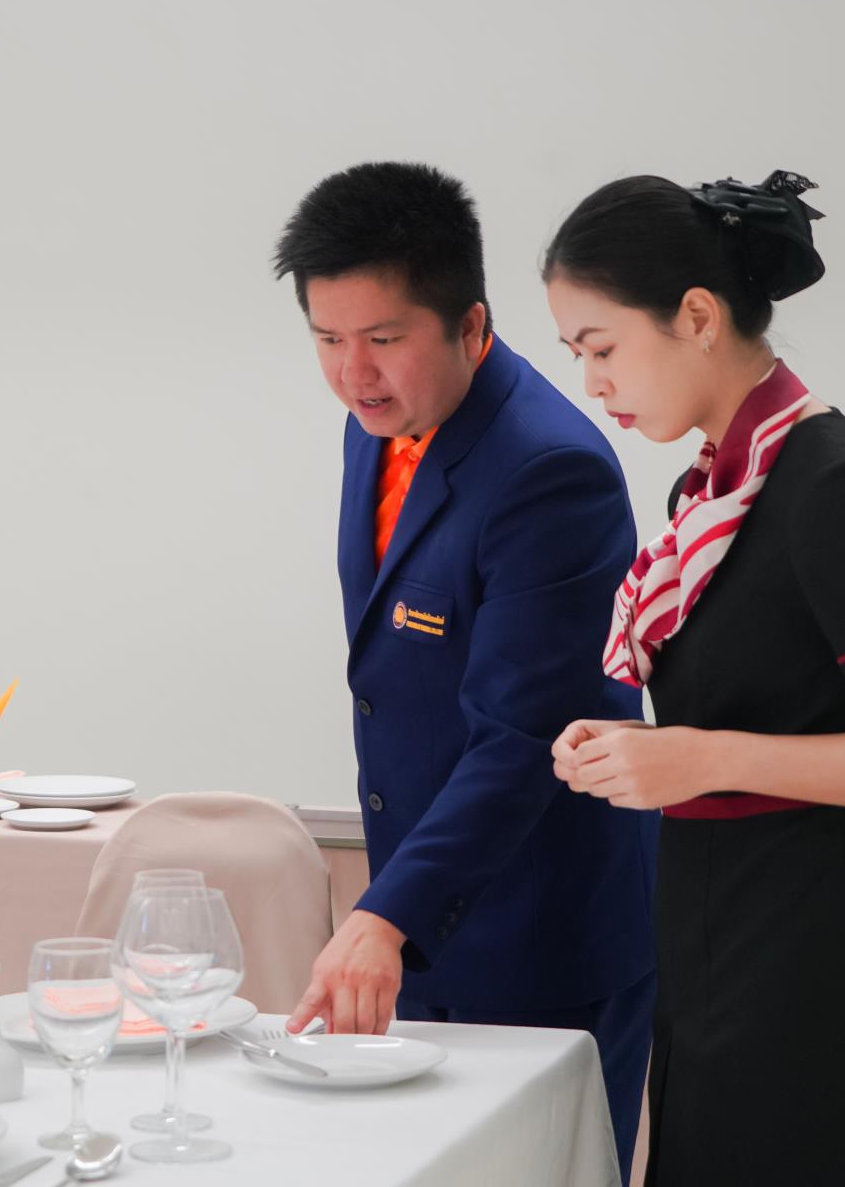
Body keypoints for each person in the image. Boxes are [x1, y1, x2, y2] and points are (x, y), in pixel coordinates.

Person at [543, 170, 845, 1185]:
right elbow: (764, 709)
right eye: (578, 356)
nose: (593, 384)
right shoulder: (715, 487)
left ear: (697, 316)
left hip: (816, 967)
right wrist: (646, 753)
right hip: (716, 946)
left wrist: (703, 757)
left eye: (602, 348)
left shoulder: (830, 485)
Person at [274, 162, 658, 1176]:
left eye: (382, 338)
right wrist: (393, 916)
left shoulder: (549, 470)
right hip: (424, 923)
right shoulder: (379, 425)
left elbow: (523, 734)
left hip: (544, 935)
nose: (353, 372)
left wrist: (385, 914)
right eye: (327, 340)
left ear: (472, 324)